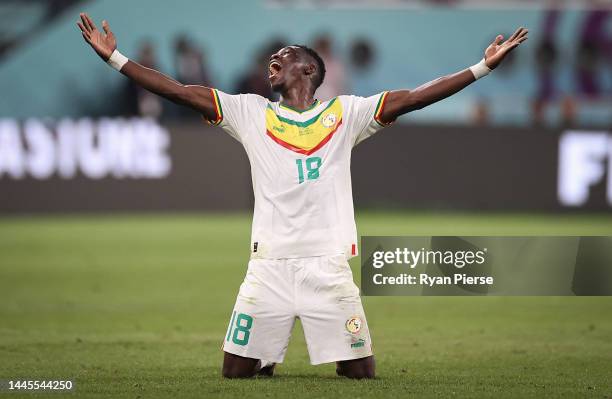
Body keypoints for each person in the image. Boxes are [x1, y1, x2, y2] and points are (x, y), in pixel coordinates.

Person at [77, 12, 528, 379]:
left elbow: (413, 98)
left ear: (308, 69)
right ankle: (266, 351)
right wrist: (115, 58)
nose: (272, 59)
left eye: (283, 56)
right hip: (268, 267)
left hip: (327, 267)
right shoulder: (249, 112)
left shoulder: (346, 113)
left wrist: (481, 67)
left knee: (360, 374)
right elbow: (177, 91)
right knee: (235, 373)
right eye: (272, 56)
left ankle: (275, 351)